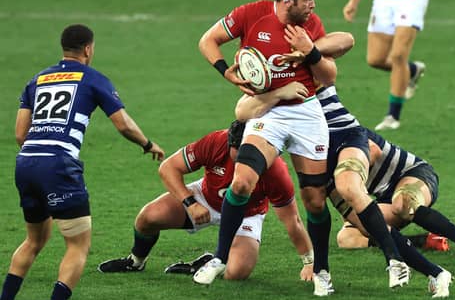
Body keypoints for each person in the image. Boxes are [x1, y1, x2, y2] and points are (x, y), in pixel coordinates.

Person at [196, 0, 404, 296]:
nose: (313, 5)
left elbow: (330, 75)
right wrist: (227, 74)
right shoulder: (250, 14)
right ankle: (219, 258)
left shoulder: (310, 26)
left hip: (307, 113)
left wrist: (309, 51)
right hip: (270, 112)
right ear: (287, 0)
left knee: (315, 201)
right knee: (241, 181)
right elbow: (207, 41)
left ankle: (321, 270)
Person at [236, 33, 455, 298]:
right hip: (316, 155)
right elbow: (242, 111)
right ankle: (436, 273)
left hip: (346, 134)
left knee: (350, 187)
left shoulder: (308, 61)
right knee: (343, 217)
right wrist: (276, 93)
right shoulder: (269, 84)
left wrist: (309, 50)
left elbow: (346, 40)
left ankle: (393, 261)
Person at [0, 24, 165, 300]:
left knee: (34, 240)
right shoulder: (92, 78)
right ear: (88, 49)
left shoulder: (36, 80)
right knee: (78, 243)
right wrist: (147, 144)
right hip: (59, 166)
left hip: (26, 163)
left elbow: (20, 134)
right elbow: (123, 124)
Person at [97, 121, 314, 282]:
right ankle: (135, 262)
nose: (244, 165)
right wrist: (190, 202)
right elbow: (168, 168)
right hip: (205, 198)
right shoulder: (216, 142)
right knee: (148, 217)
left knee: (237, 273)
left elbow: (292, 220)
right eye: (239, 157)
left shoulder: (276, 171)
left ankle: (206, 262)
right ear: (230, 142)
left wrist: (309, 261)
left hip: (247, 215)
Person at [333, 128, 455, 259]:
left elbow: (374, 151)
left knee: (403, 202)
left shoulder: (340, 127)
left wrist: (355, 185)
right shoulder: (316, 158)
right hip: (385, 197)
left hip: (413, 173)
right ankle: (423, 241)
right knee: (346, 238)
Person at [343, 0, 452, 130]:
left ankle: (392, 116)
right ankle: (412, 70)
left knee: (398, 55)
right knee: (375, 59)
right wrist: (353, 1)